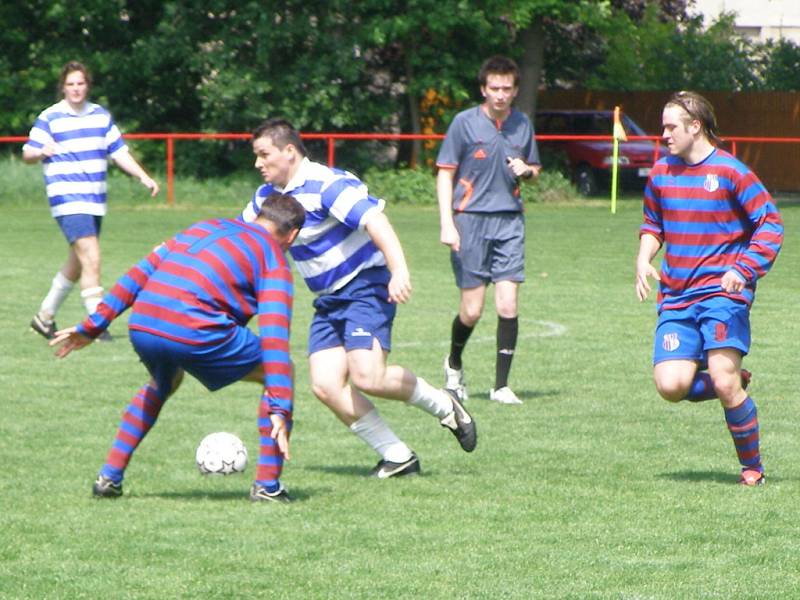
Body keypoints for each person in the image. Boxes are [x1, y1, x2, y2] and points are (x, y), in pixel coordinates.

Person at [240, 118, 476, 479]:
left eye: (263, 154)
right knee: (325, 385)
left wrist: (399, 270)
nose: (258, 163)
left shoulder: (326, 184)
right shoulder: (264, 200)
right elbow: (239, 240)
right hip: (328, 299)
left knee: (368, 375)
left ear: (289, 151)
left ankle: (445, 404)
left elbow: (375, 221)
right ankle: (397, 456)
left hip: (366, 284)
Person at [50, 192, 305, 503]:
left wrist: (93, 326)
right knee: (282, 372)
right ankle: (267, 485)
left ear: (258, 215)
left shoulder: (204, 227)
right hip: (195, 331)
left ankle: (109, 476)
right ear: (291, 235)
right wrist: (280, 406)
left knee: (163, 382)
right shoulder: (274, 259)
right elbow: (275, 337)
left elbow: (139, 273)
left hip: (144, 323)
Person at [635, 91, 783, 486]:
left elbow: (770, 225)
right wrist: (643, 258)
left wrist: (744, 268)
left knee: (722, 378)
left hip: (723, 294)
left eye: (670, 127)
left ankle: (752, 469)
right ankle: (731, 378)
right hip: (677, 296)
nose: (663, 134)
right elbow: (653, 225)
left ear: (695, 126)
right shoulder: (661, 173)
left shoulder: (732, 171)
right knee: (671, 386)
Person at [23, 60, 160, 341]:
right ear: (63, 87)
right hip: (67, 198)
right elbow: (27, 153)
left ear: (88, 85)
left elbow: (119, 152)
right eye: (70, 84)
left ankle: (44, 317)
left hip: (94, 200)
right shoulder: (50, 117)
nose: (75, 89)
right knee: (92, 257)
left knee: (78, 262)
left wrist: (143, 176)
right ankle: (97, 323)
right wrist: (40, 151)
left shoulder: (100, 116)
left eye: (80, 83)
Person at [436, 55, 541, 405]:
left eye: (506, 89)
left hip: (510, 221)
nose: (500, 94)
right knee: (472, 310)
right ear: (483, 89)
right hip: (469, 221)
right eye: (493, 88)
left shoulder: (522, 124)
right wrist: (447, 223)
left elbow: (534, 170)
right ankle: (453, 364)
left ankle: (500, 386)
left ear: (514, 91)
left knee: (508, 304)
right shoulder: (463, 123)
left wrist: (526, 170)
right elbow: (445, 173)